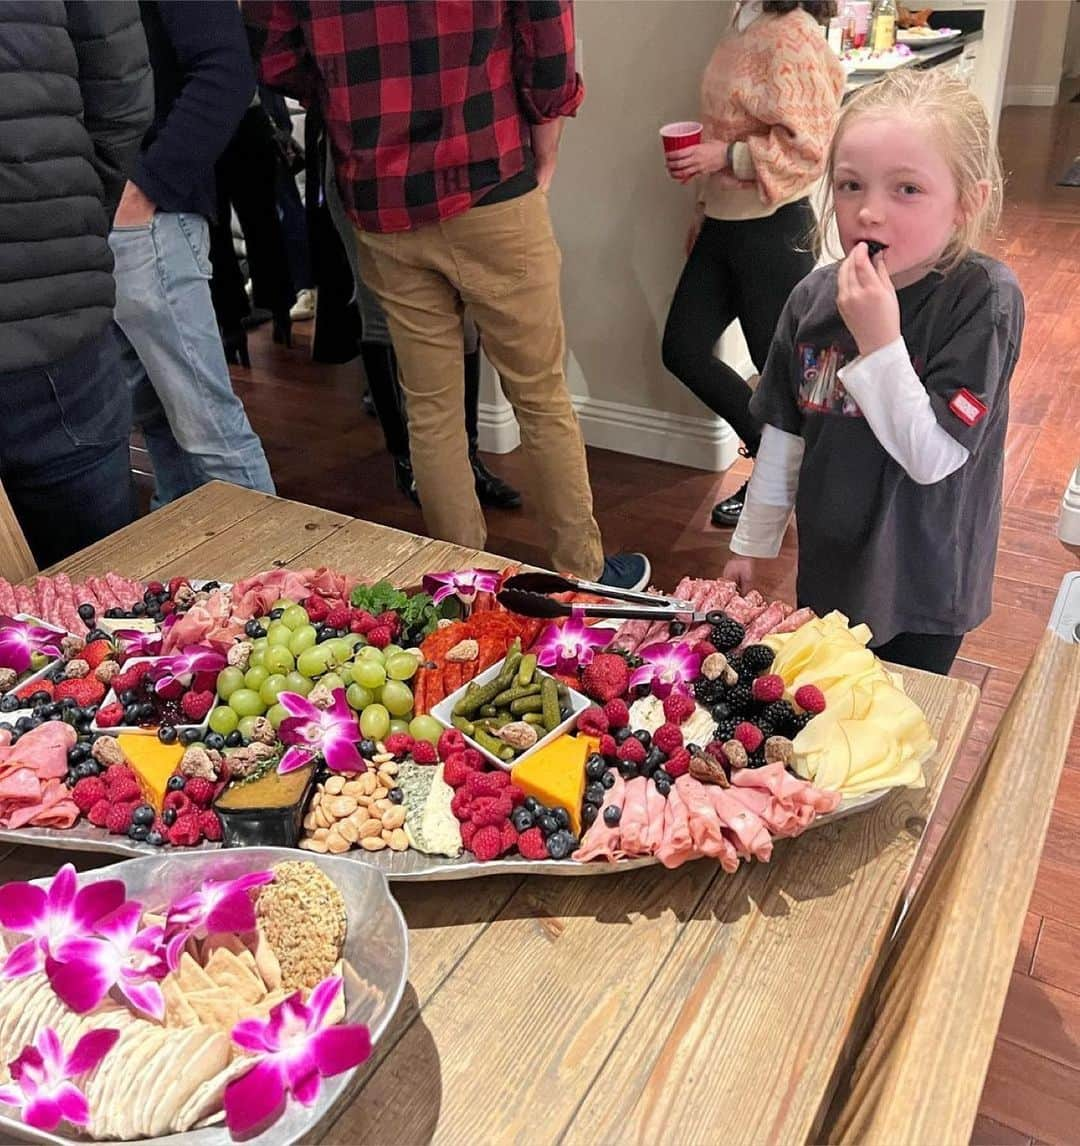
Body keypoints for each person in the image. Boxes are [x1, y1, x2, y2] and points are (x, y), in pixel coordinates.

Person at [245, 0, 649, 590]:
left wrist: (357, 107)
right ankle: (585, 574)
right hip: (491, 173)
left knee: (430, 408)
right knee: (539, 396)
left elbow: (275, 53)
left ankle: (464, 587)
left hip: (382, 195)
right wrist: (548, 141)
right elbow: (548, 42)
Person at [723, 70, 1024, 675]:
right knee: (834, 704)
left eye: (907, 189)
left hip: (925, 578)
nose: (869, 212)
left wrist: (879, 338)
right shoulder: (811, 300)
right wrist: (751, 546)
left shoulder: (981, 299)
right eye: (851, 185)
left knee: (906, 719)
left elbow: (934, 456)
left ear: (969, 201)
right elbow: (783, 434)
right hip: (832, 563)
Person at [661, 0, 844, 527]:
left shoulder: (793, 34)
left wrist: (724, 158)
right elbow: (726, 123)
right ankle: (773, 464)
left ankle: (816, 493)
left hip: (773, 228)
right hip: (725, 223)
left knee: (783, 374)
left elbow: (811, 145)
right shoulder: (742, 20)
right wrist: (704, 205)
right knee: (683, 349)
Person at [0, 1, 152, 567]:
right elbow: (122, 92)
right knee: (102, 603)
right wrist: (71, 220)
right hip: (56, 310)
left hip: (56, 299)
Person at [111, 0, 275, 508]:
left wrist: (145, 190)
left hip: (148, 219)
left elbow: (227, 72)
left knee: (210, 432)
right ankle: (190, 581)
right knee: (162, 424)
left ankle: (276, 580)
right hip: (120, 216)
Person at [321, 146, 522, 510]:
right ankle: (404, 459)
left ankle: (468, 457)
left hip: (436, 172)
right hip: (363, 176)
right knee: (378, 314)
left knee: (463, 317)